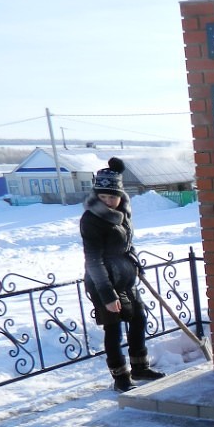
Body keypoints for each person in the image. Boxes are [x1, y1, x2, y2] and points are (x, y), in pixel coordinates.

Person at [81, 157, 165, 392]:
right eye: (103, 197)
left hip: (125, 278)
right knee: (114, 330)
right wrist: (108, 295)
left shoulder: (122, 214)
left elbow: (126, 245)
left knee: (138, 320)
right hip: (103, 283)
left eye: (112, 197)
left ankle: (140, 367)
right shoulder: (92, 220)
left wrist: (135, 263)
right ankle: (120, 378)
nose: (108, 201)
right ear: (96, 196)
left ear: (120, 195)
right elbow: (93, 260)